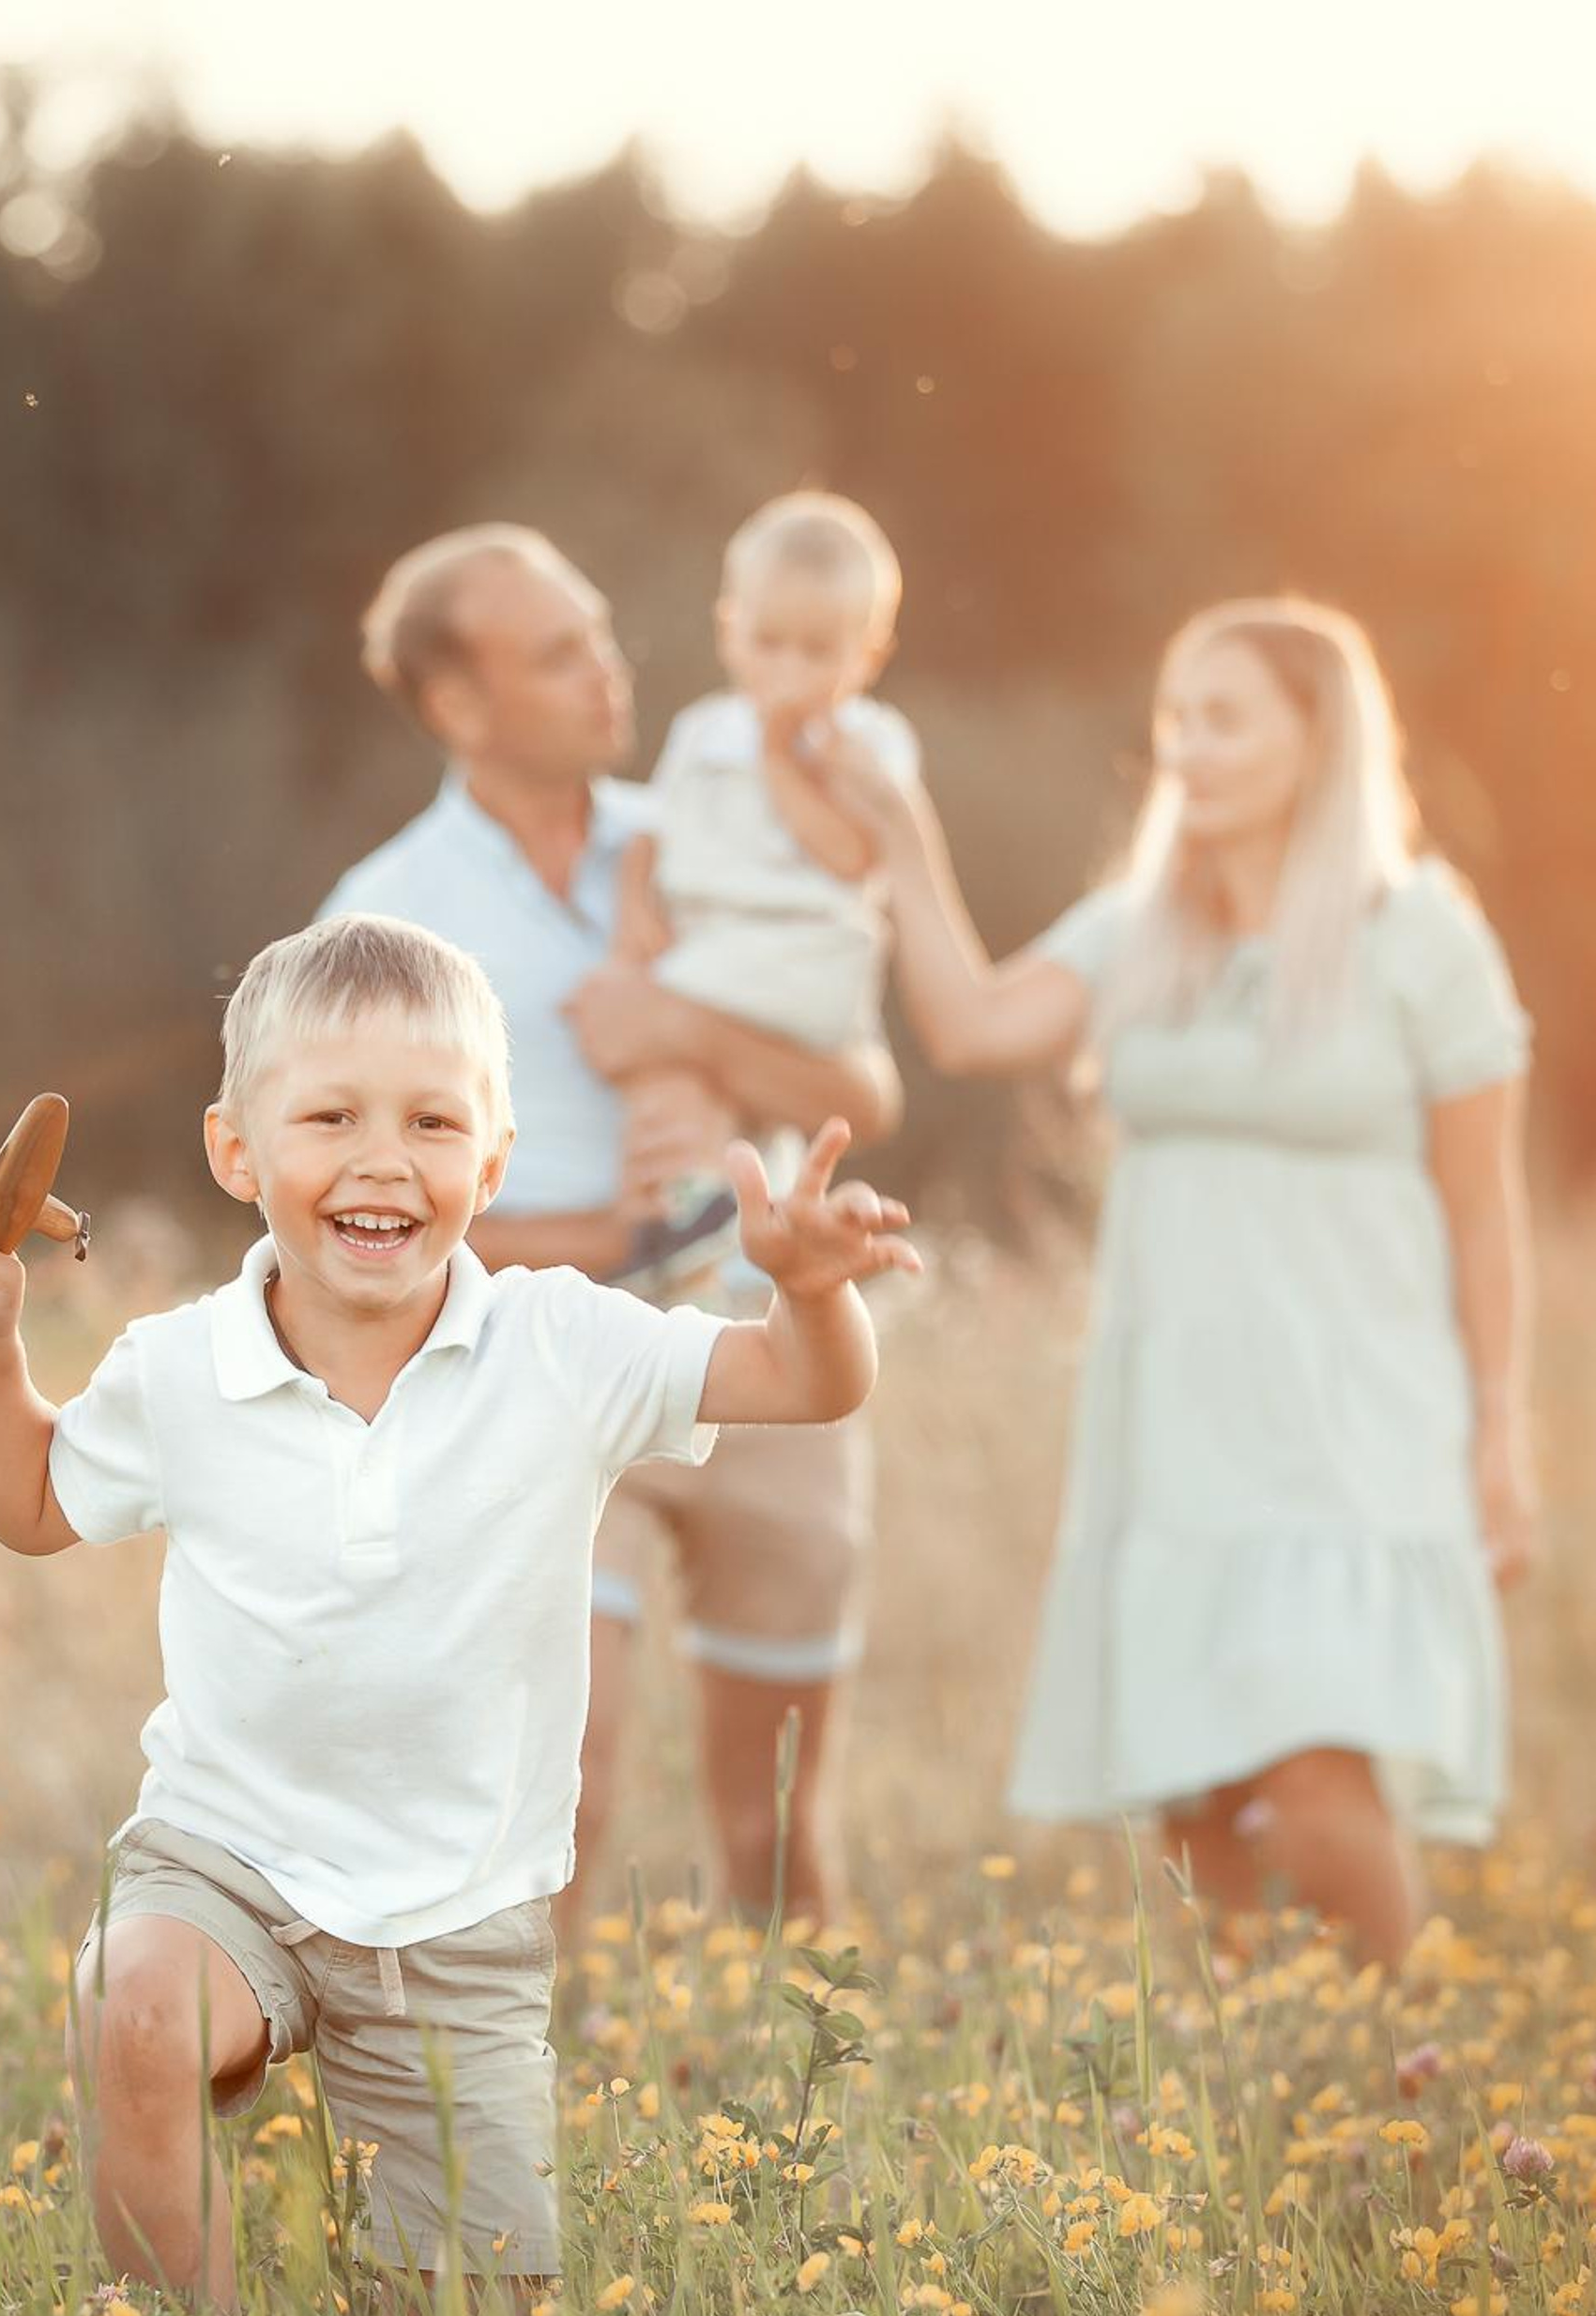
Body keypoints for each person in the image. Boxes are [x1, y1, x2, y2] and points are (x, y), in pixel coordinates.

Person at [0, 913, 917, 2305]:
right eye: (330, 1117)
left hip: (462, 1910)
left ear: (490, 1164)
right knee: (132, 2012)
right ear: (236, 1152)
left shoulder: (564, 1342)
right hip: (230, 1858)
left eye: (433, 1122)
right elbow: (29, 1508)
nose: (383, 1159)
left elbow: (806, 1385)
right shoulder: (179, 1369)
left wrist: (808, 1292)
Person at [812, 594, 1536, 1967]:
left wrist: (1502, 1428)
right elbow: (969, 1026)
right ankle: (1255, 2115)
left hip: (1356, 1412)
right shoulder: (1139, 927)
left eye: (1225, 717)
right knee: (1199, 1795)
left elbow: (1487, 1213)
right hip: (1177, 1411)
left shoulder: (1421, 933)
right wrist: (902, 834)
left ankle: (1399, 2074)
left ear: (1318, 737)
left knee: (1318, 1778)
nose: (1188, 748)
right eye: (1177, 717)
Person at [323, 525, 901, 1928]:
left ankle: (793, 2136)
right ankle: (515, 2137)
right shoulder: (386, 917)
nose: (607, 670)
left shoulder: (712, 833)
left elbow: (862, 1086)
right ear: (459, 705)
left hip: (767, 1356)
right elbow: (349, 1223)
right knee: (560, 1798)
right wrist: (609, 1237)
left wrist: (683, 1027)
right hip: (541, 1378)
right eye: (558, 651)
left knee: (776, 1828)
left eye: (599, 631)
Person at [611, 490, 920, 1294]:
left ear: (869, 655)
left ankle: (693, 1214)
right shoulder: (704, 729)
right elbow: (652, 828)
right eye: (767, 641)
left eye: (817, 651)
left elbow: (853, 858)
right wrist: (634, 905)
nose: (786, 671)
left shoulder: (867, 743)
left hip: (801, 954)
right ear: (729, 629)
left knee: (647, 1039)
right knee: (681, 1082)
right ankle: (708, 1220)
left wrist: (785, 760)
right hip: (715, 947)